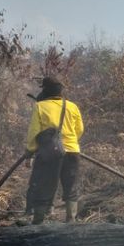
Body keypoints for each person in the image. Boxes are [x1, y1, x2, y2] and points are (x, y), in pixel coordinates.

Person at [25, 77, 84, 224]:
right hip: (72, 151)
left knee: (44, 185)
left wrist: (30, 152)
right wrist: (69, 142)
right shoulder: (72, 106)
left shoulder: (40, 107)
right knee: (71, 186)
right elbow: (80, 129)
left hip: (49, 153)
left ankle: (38, 221)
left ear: (45, 90)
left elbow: (34, 132)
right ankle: (71, 220)